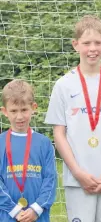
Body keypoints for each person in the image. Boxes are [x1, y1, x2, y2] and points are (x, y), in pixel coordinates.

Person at [45, 15, 101, 222]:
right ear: (76, 45)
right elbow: (59, 133)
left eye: (98, 43)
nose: (93, 48)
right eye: (86, 43)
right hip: (77, 178)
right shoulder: (63, 85)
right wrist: (77, 172)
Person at [0, 79, 56, 222]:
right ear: (4, 111)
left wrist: (36, 209)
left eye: (24, 110)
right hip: (8, 215)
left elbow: (50, 180)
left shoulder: (44, 143)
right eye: (13, 111)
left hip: (38, 216)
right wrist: (14, 210)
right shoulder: (1, 143)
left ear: (34, 107)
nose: (19, 116)